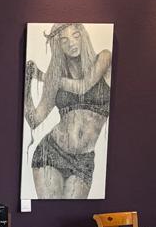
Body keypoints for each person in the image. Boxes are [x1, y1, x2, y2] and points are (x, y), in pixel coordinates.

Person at [23, 23, 112, 198]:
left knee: (74, 211)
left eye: (75, 36)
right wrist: (26, 84)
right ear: (58, 46)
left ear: (84, 36)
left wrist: (43, 77)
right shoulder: (56, 73)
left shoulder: (104, 58)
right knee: (48, 212)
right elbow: (34, 120)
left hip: (83, 160)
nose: (71, 43)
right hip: (51, 152)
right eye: (64, 40)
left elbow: (82, 86)